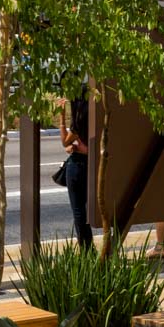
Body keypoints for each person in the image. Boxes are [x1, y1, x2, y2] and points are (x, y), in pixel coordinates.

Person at [60, 94, 92, 248]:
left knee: (79, 210)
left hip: (78, 165)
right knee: (87, 208)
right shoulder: (96, 119)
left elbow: (65, 141)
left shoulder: (80, 121)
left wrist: (61, 117)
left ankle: (86, 248)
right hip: (92, 164)